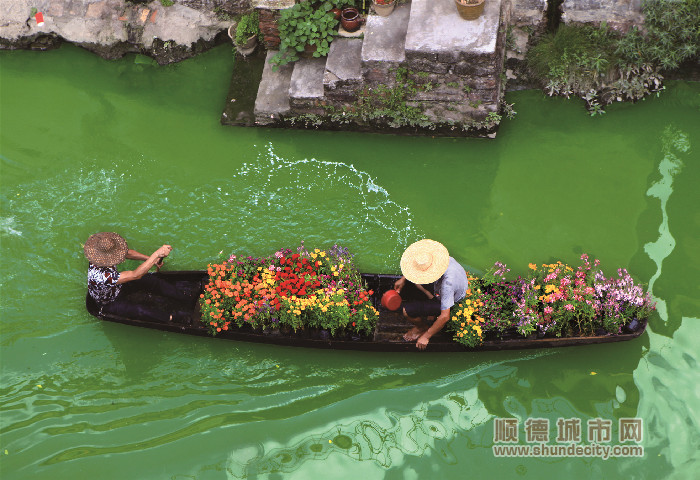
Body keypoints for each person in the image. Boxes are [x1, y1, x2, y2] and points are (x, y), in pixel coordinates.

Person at [84, 232, 189, 323]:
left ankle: (184, 296)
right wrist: (156, 255)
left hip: (118, 286)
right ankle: (171, 318)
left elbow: (128, 253)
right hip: (109, 301)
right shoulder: (100, 276)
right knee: (140, 311)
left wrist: (151, 260)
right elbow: (136, 275)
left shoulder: (99, 253)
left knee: (152, 281)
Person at [394, 239, 468, 351]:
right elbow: (416, 268)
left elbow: (445, 316)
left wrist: (426, 336)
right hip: (439, 289)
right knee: (415, 281)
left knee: (407, 310)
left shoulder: (448, 284)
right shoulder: (438, 258)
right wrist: (403, 279)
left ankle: (421, 327)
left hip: (450, 297)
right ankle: (430, 299)